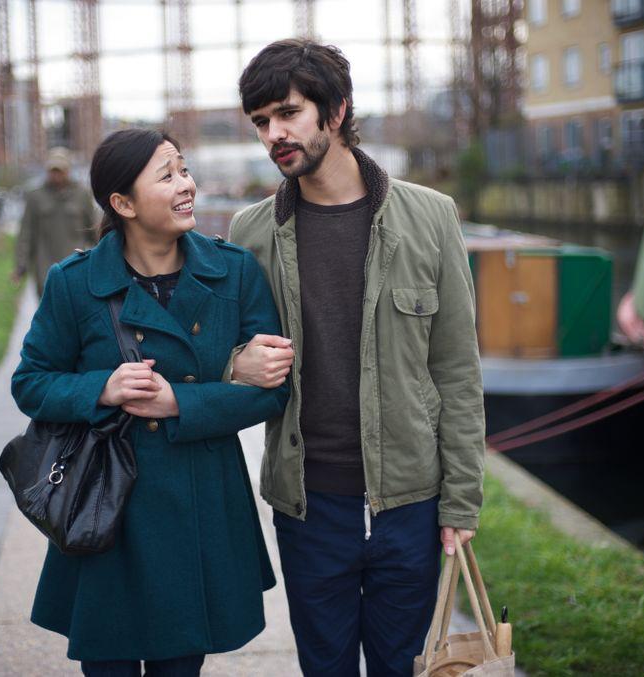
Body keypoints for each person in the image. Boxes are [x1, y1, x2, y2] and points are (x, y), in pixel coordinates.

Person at [225, 39, 486, 677]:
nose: (274, 134)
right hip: (308, 505)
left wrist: (461, 501)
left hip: (410, 502)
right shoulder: (250, 232)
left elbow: (456, 369)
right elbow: (220, 353)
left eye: (288, 113)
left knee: (401, 666)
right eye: (261, 121)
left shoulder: (431, 217)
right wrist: (235, 365)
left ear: (336, 110)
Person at [11, 128, 288, 676]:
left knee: (181, 665)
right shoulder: (75, 283)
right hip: (106, 508)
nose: (186, 185)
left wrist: (179, 403)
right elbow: (31, 383)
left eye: (184, 170)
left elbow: (273, 391)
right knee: (108, 663)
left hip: (198, 503)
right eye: (167, 176)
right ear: (123, 203)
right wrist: (101, 388)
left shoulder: (232, 271)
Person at [13, 146, 98, 295]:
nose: (57, 175)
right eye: (53, 170)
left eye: (60, 170)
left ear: (68, 170)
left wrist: (104, 258)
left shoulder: (82, 195)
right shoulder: (35, 197)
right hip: (45, 270)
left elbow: (93, 230)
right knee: (47, 306)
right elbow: (26, 233)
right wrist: (21, 266)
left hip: (75, 267)